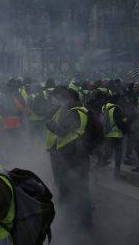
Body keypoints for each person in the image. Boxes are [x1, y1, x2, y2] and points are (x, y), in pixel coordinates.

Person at [45, 86, 91, 228]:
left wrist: (50, 124)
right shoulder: (81, 111)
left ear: (71, 99)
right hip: (76, 155)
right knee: (80, 187)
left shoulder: (74, 113)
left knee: (67, 186)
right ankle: (82, 219)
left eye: (63, 99)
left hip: (70, 156)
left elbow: (63, 132)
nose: (61, 102)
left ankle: (68, 219)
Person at [100, 93, 127, 178]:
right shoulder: (116, 108)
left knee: (107, 153)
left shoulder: (105, 106)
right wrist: (125, 129)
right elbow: (120, 123)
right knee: (118, 155)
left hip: (107, 133)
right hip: (116, 135)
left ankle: (97, 168)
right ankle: (117, 173)